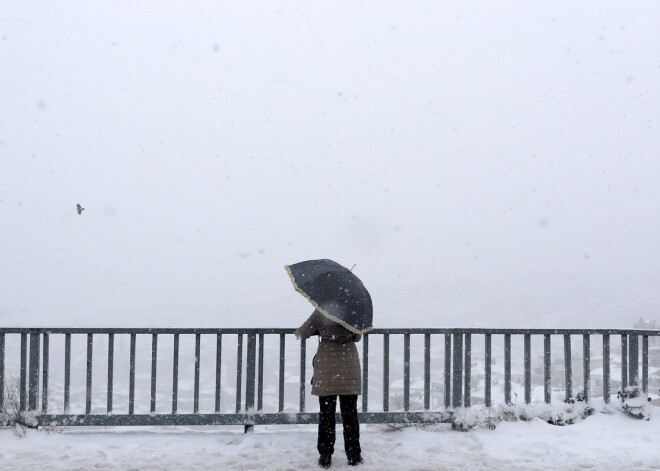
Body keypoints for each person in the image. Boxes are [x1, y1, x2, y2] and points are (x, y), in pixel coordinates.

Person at [296, 309, 364, 468]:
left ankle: (325, 456)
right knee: (350, 415)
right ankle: (354, 455)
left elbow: (302, 333)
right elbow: (358, 336)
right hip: (349, 364)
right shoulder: (353, 311)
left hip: (327, 366)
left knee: (326, 415)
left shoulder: (322, 310)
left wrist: (321, 331)